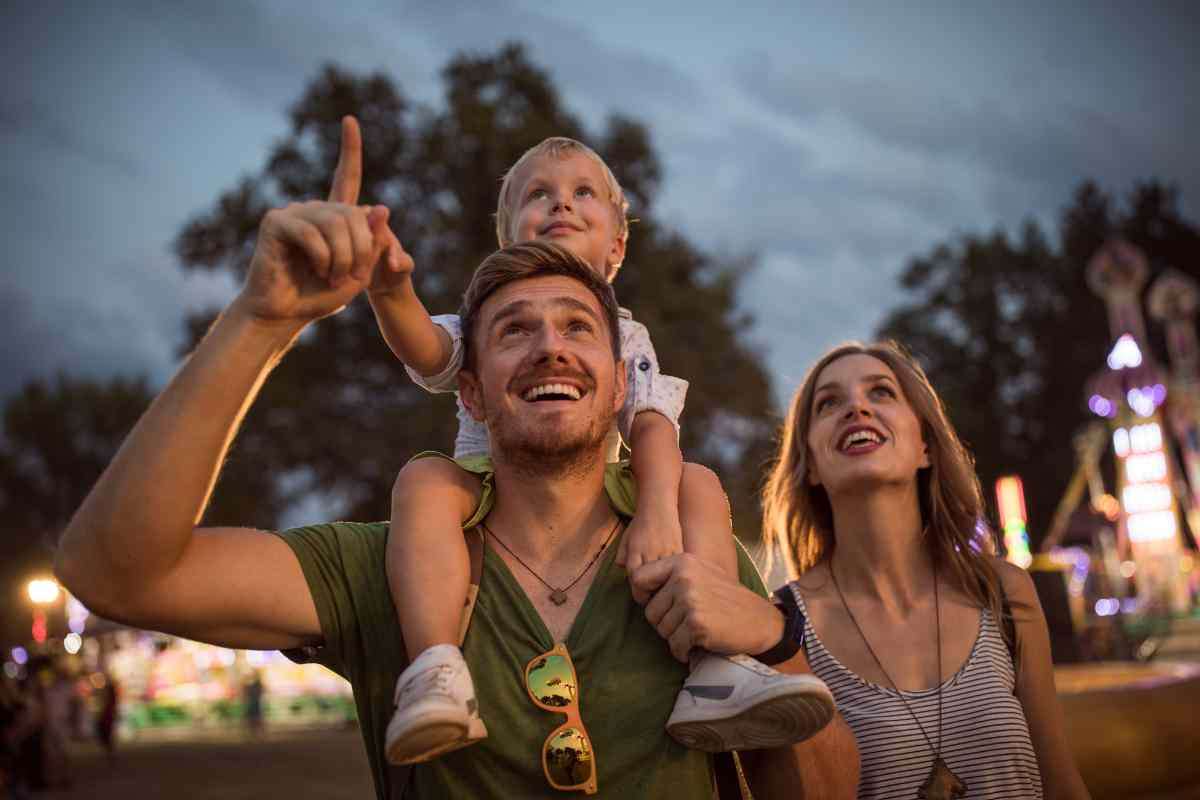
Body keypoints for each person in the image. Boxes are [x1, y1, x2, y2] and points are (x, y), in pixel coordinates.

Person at [54, 117, 858, 799]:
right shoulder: (390, 566)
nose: (550, 346)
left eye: (579, 327)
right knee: (425, 479)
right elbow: (115, 575)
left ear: (622, 384)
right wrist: (263, 320)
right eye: (514, 329)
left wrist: (773, 639)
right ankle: (436, 673)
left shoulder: (692, 554)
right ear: (467, 391)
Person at [367, 133, 832, 764]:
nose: (562, 204)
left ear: (616, 245)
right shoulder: (481, 314)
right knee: (423, 480)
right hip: (483, 482)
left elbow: (652, 424)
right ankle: (436, 671)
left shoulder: (628, 335)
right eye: (539, 194)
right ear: (509, 238)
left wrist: (658, 511)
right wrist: (389, 290)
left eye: (583, 192)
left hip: (594, 484)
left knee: (694, 482)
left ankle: (717, 666)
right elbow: (425, 347)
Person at [760, 340, 1091, 799]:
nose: (856, 407)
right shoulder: (784, 628)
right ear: (811, 465)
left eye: (881, 393)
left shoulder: (1002, 592)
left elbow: (1062, 783)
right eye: (829, 403)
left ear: (925, 447)